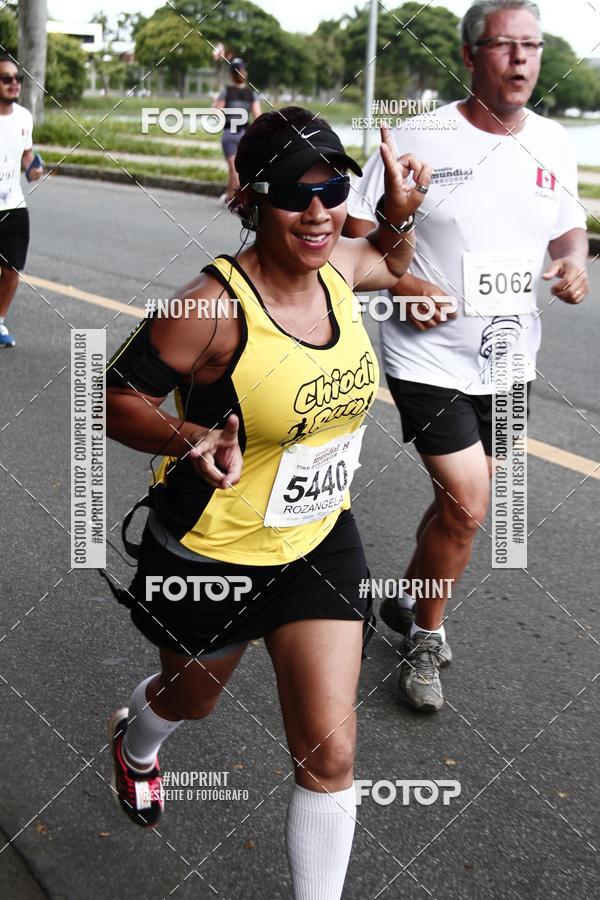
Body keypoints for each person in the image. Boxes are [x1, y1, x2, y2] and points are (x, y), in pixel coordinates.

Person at [105, 107, 430, 899]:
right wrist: (189, 435)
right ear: (253, 198)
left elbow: (391, 261)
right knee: (193, 700)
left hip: (318, 540)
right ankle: (137, 744)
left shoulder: (338, 269)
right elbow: (114, 401)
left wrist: (397, 216)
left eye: (332, 189)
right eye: (292, 192)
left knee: (331, 754)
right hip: (212, 553)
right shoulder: (209, 307)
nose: (318, 212)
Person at [344, 0, 589, 712]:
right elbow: (354, 240)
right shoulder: (419, 135)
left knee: (457, 505)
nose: (522, 59)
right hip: (427, 357)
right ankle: (425, 637)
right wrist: (405, 284)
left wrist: (574, 264)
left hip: (511, 358)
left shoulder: (555, 143)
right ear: (470, 54)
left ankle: (407, 599)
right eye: (506, 45)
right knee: (470, 503)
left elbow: (568, 230)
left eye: (532, 46)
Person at [0, 56, 43, 348]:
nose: (14, 83)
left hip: (14, 205)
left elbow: (26, 153)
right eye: (6, 79)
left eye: (18, 78)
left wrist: (32, 168)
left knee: (12, 269)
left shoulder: (24, 117)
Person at [214, 58, 261, 206]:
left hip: (230, 133)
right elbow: (258, 116)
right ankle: (231, 198)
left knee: (234, 168)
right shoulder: (251, 93)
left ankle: (233, 199)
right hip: (244, 135)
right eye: (242, 70)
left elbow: (216, 112)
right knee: (236, 168)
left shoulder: (226, 92)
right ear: (241, 73)